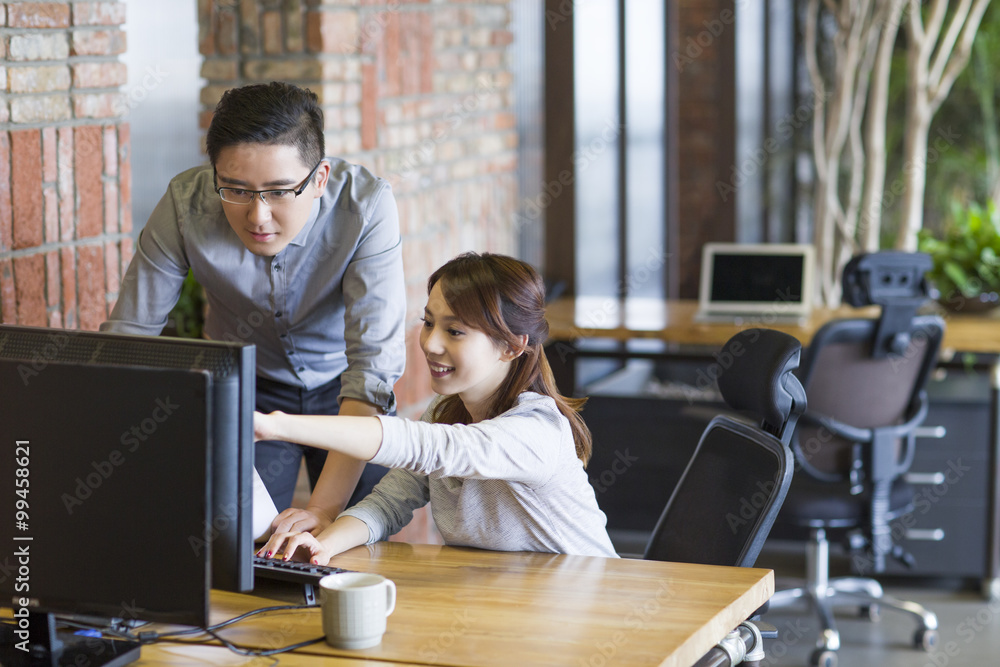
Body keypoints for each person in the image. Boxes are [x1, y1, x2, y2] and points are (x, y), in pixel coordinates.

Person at [101, 81, 406, 536]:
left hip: (349, 394)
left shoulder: (365, 207)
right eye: (236, 190)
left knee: (362, 540)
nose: (258, 216)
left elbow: (372, 372)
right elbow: (127, 342)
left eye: (280, 191)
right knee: (237, 542)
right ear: (214, 175)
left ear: (319, 179)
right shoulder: (186, 205)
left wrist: (323, 510)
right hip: (248, 391)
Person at [254, 252, 619, 562]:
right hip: (513, 609)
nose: (430, 344)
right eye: (428, 323)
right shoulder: (446, 411)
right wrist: (321, 547)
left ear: (512, 346)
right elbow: (387, 503)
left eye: (455, 331)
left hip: (591, 611)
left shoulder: (537, 430)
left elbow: (428, 446)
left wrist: (278, 426)